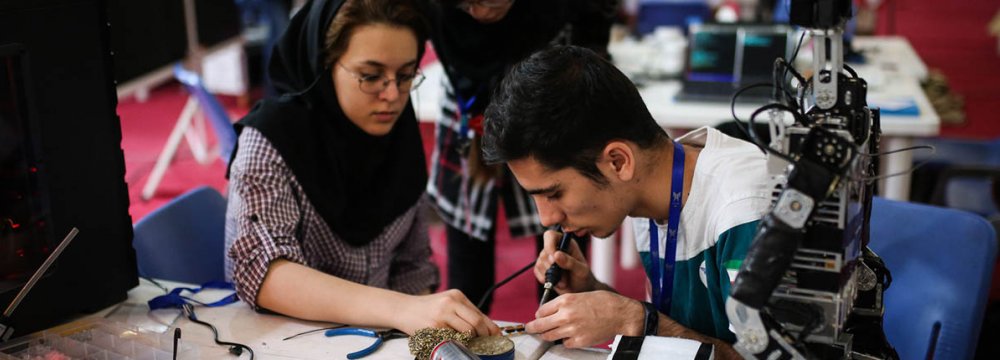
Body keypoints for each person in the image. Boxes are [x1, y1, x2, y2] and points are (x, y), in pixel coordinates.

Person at [223, 0, 498, 337]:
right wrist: (401, 310)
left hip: (378, 340)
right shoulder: (270, 140)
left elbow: (412, 267)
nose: (393, 95)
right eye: (370, 76)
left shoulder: (398, 132)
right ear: (325, 63)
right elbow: (265, 273)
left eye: (407, 74)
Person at [481, 45, 773, 357]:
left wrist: (635, 320)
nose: (547, 219)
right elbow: (687, 335)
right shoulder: (650, 190)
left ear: (618, 162)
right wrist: (593, 291)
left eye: (554, 193)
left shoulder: (743, 209)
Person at [423, 0, 617, 312]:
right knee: (467, 262)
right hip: (466, 112)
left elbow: (594, 35)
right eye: (469, 4)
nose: (484, 12)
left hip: (556, 106)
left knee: (561, 262)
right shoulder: (441, 14)